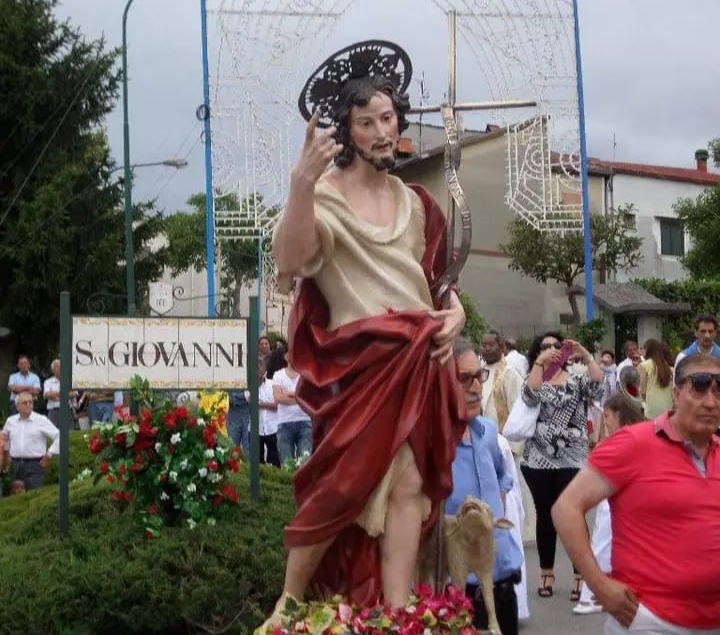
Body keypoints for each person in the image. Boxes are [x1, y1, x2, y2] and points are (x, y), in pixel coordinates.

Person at [258, 41, 466, 632]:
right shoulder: (324, 198)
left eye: (388, 118)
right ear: (346, 130)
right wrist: (300, 185)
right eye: (366, 121)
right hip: (359, 369)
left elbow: (436, 284)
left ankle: (399, 612)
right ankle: (290, 601)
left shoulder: (417, 202)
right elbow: (293, 260)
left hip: (419, 363)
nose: (381, 131)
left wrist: (454, 315)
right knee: (340, 487)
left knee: (411, 485)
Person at [552, 354, 720, 633]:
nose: (711, 401)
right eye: (699, 387)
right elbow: (566, 508)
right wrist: (598, 584)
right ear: (676, 394)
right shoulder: (634, 444)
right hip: (650, 621)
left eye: (719, 390)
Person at [517, 332, 604, 600]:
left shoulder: (577, 381)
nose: (552, 350)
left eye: (557, 346)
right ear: (537, 351)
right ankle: (546, 572)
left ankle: (581, 575)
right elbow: (530, 396)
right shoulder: (535, 378)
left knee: (573, 513)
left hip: (573, 457)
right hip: (538, 459)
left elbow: (599, 388)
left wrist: (587, 355)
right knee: (546, 514)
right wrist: (540, 364)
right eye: (545, 347)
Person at [448, 337, 523, 635]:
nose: (476, 387)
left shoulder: (488, 432)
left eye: (479, 376)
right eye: (464, 379)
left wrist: (500, 497)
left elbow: (503, 474)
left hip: (504, 589)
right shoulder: (430, 448)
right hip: (458, 597)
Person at [572, 392, 644, 616]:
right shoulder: (632, 435)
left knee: (603, 539)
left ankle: (592, 593)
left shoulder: (626, 439)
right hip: (622, 495)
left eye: (608, 415)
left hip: (619, 496)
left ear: (618, 415)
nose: (606, 420)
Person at [2, 391, 59, 490]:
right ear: (17, 406)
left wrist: (49, 455)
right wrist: (6, 453)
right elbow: (4, 437)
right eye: (24, 403)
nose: (28, 405)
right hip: (15, 465)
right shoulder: (10, 421)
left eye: (30, 402)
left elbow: (59, 436)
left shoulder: (41, 420)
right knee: (15, 500)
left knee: (34, 498)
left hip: (35, 466)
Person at [272, 348, 312, 464]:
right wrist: (300, 397)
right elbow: (278, 398)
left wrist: (289, 394)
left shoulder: (306, 375)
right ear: (285, 357)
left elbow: (309, 397)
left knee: (305, 462)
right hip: (284, 423)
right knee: (286, 463)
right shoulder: (278, 375)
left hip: (304, 422)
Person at [480, 330, 523, 433]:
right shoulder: (478, 371)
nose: (487, 348)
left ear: (502, 347)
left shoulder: (509, 373)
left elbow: (517, 411)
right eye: (484, 345)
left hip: (502, 436)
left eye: (491, 345)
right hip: (482, 431)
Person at [673, 313, 720, 383]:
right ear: (695, 332)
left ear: (715, 333)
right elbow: (676, 385)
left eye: (710, 331)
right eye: (703, 331)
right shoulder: (683, 357)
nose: (707, 335)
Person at [638, 338, 674, 419]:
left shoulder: (644, 365)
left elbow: (643, 391)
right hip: (668, 407)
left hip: (652, 409)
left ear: (648, 349)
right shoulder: (670, 368)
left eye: (644, 348)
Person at [259, 350, 282, 468]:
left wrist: (261, 404)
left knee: (276, 459)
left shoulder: (272, 384)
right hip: (256, 429)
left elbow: (277, 405)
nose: (258, 370)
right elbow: (250, 402)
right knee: (258, 462)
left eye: (260, 367)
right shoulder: (249, 386)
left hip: (272, 428)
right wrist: (268, 404)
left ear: (264, 368)